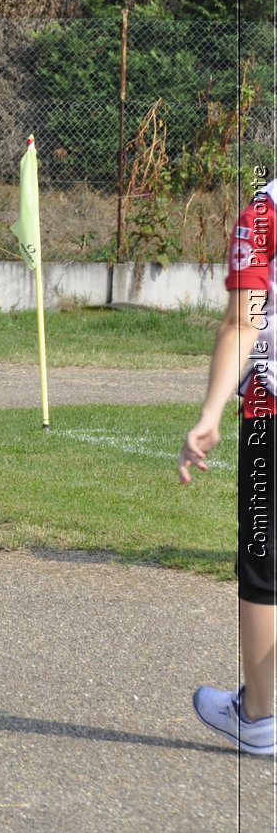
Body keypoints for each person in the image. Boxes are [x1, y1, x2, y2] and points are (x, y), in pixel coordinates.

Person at [179, 177, 274, 755]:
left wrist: (210, 412)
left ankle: (260, 717)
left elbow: (246, 320)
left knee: (264, 566)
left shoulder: (264, 213)